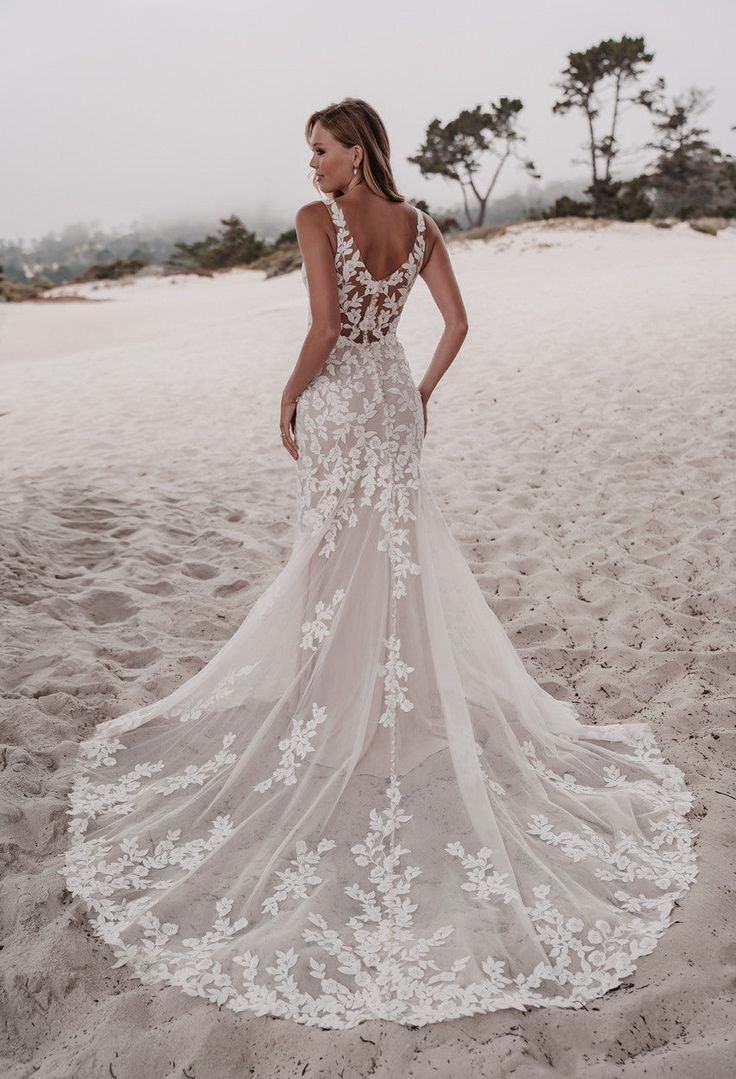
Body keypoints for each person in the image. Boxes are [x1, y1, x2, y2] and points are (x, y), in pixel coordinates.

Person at [59, 97, 698, 1031]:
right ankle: (375, 706)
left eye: (320, 149)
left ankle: (341, 712)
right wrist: (422, 392)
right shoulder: (425, 224)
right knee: (392, 559)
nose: (309, 167)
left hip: (342, 401)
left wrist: (285, 396)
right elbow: (457, 326)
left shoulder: (319, 220)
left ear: (357, 151)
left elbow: (324, 326)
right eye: (309, 154)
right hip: (395, 402)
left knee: (330, 562)